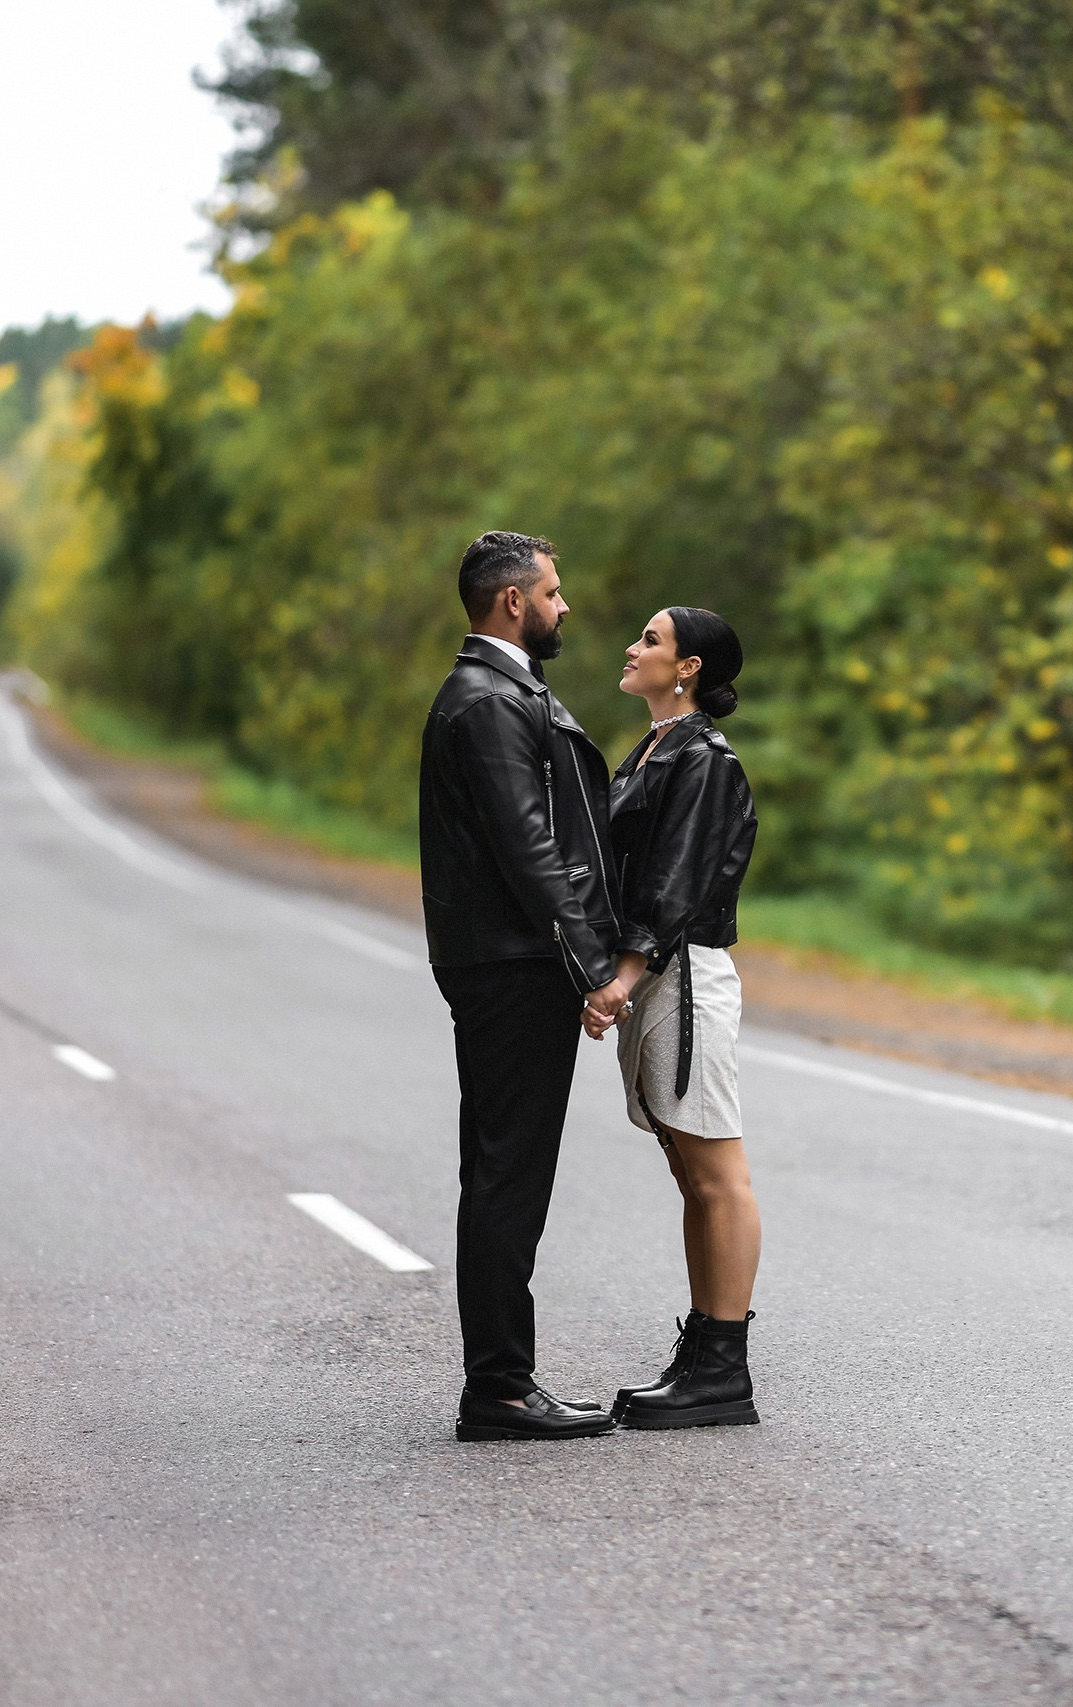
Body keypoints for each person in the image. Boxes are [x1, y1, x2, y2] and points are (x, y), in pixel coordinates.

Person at [419, 531, 624, 1443]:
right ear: (513, 602)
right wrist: (591, 967)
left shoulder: (497, 690)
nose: (564, 604)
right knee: (508, 1173)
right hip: (512, 963)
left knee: (503, 1169)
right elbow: (528, 847)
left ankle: (500, 1379)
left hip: (508, 958)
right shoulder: (488, 700)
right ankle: (500, 1386)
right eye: (553, 589)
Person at [581, 606, 761, 1429]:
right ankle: (704, 1353)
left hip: (681, 974)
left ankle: (724, 1367)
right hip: (658, 974)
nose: (633, 646)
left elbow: (676, 880)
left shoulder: (704, 758)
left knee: (717, 1173)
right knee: (690, 1172)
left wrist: (624, 974)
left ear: (687, 666)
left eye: (650, 639)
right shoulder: (656, 747)